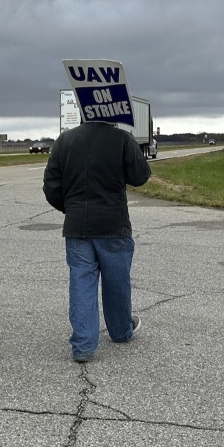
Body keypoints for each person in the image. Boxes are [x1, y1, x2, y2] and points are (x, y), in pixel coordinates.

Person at [43, 118, 151, 363]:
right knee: (117, 282)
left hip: (77, 224)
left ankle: (83, 345)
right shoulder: (122, 138)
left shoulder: (65, 140)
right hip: (114, 224)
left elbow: (51, 186)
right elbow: (140, 175)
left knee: (81, 283)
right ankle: (121, 331)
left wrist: (70, 208)